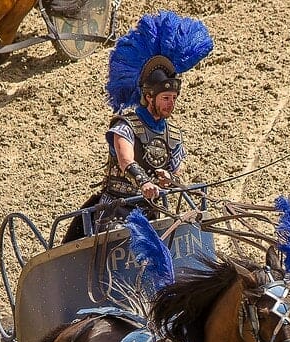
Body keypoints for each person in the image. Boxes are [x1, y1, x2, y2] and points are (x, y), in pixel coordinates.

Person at [63, 11, 213, 243]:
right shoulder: (126, 125)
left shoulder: (173, 135)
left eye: (173, 98)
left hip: (153, 210)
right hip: (117, 212)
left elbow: (176, 167)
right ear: (149, 97)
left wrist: (168, 177)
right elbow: (126, 161)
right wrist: (144, 182)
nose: (171, 104)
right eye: (165, 98)